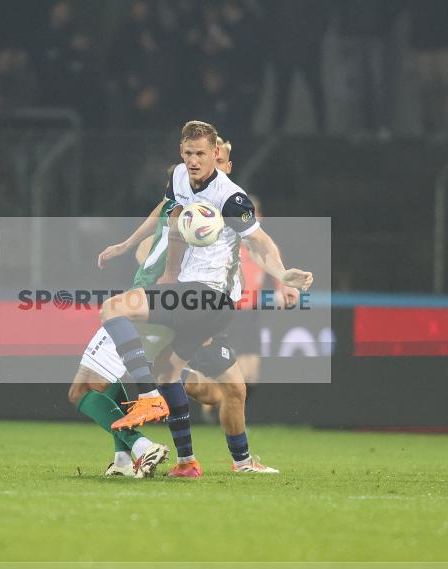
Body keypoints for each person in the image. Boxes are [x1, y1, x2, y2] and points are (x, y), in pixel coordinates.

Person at [97, 120, 312, 476]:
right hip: (201, 302)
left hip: (206, 298)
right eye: (188, 153)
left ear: (217, 156)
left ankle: (147, 401)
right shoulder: (180, 178)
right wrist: (127, 245)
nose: (194, 161)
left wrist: (281, 273)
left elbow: (259, 242)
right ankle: (209, 464)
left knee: (113, 308)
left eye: (201, 154)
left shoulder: (231, 198)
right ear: (182, 154)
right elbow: (166, 208)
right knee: (207, 382)